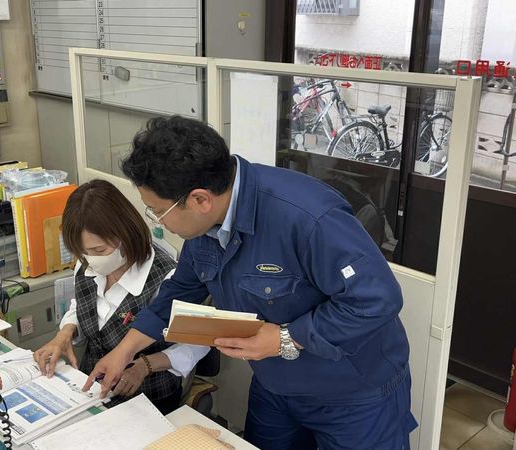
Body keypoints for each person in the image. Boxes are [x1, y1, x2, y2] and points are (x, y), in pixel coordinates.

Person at [83, 117, 418, 449]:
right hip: (275, 386)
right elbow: (180, 292)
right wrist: (124, 350)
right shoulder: (204, 226)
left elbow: (377, 300)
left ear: (200, 200)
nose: (158, 221)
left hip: (354, 392)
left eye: (158, 211)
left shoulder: (308, 216)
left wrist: (287, 337)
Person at [33, 179, 209, 414]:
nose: (91, 259)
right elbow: (82, 305)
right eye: (83, 252)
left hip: (148, 398)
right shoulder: (87, 263)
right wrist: (65, 333)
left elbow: (197, 346)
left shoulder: (168, 278)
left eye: (99, 250)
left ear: (125, 234)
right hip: (91, 390)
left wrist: (144, 366)